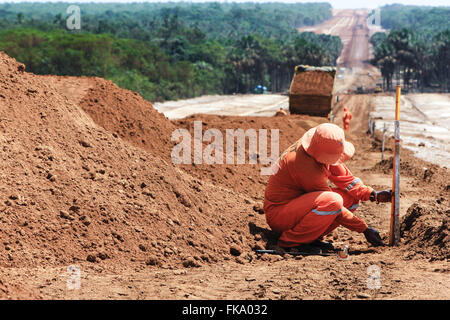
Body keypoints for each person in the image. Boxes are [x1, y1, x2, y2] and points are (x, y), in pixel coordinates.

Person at [264, 123, 391, 253]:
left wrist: (372, 194)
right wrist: (364, 229)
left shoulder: (317, 146)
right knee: (333, 201)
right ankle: (291, 242)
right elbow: (333, 205)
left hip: (298, 205)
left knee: (351, 198)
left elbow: (345, 179)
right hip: (280, 215)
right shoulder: (305, 167)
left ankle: (311, 238)